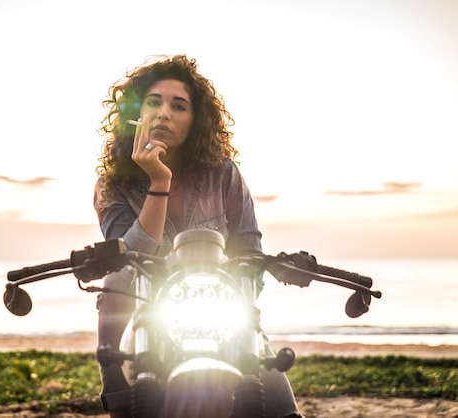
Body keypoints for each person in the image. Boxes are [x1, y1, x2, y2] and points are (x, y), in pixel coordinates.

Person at [93, 54, 303, 418]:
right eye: (154, 102)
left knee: (283, 411)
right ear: (136, 112)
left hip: (218, 310)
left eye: (179, 106)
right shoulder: (113, 185)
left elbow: (250, 253)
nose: (164, 114)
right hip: (146, 317)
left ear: (195, 121)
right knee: (115, 294)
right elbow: (127, 258)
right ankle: (118, 401)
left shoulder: (223, 173)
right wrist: (159, 182)